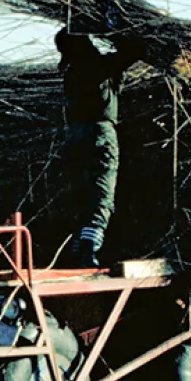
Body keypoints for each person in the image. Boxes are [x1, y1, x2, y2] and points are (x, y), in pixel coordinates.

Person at [56, 29, 141, 268]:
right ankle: (88, 248)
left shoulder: (71, 71)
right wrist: (111, 28)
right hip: (99, 133)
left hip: (74, 135)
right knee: (102, 191)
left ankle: (78, 245)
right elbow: (133, 49)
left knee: (82, 191)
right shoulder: (98, 66)